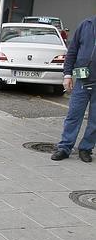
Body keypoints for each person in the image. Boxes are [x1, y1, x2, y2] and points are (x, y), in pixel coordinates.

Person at [51, 15, 96, 163]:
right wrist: (67, 75)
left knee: (94, 120)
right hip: (83, 80)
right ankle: (64, 147)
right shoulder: (86, 25)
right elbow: (72, 51)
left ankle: (86, 148)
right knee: (73, 116)